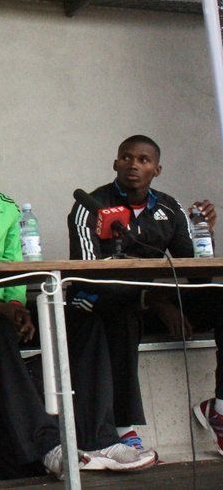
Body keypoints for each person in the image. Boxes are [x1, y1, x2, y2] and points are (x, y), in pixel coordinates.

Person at [0, 131, 156, 478]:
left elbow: (15, 265)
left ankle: (100, 439)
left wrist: (17, 306)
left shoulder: (7, 207)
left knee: (83, 321)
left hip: (3, 308)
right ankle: (47, 446)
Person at [68, 134, 222, 454]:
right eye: (126, 158)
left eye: (143, 160)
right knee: (121, 315)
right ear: (115, 163)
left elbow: (198, 276)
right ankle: (123, 427)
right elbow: (89, 276)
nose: (133, 165)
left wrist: (204, 234)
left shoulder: (169, 207)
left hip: (150, 302)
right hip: (96, 302)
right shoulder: (90, 205)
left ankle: (220, 409)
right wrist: (153, 300)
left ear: (157, 169)